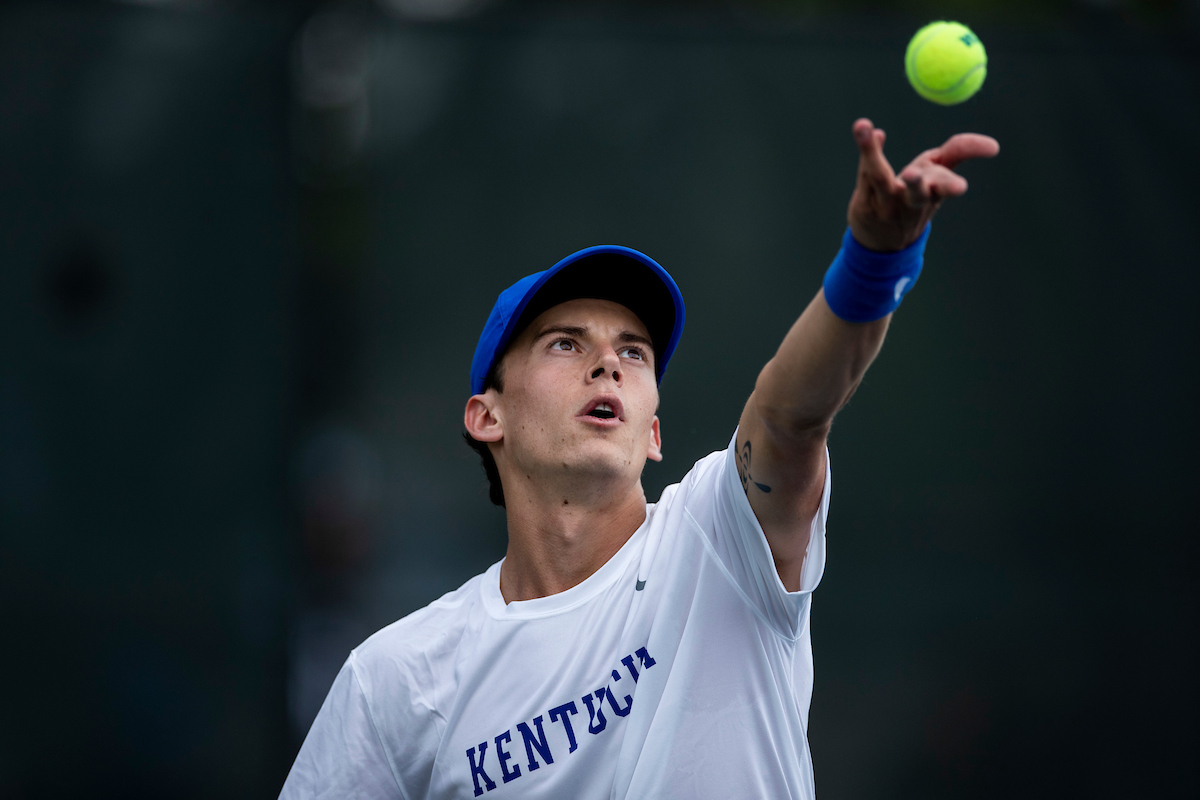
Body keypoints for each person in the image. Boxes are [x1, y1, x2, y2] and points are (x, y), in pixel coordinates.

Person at [279, 118, 999, 799]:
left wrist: (872, 264)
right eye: (565, 342)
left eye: (634, 351)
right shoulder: (397, 679)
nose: (608, 364)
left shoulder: (721, 536)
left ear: (653, 435)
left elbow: (790, 415)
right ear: (486, 416)